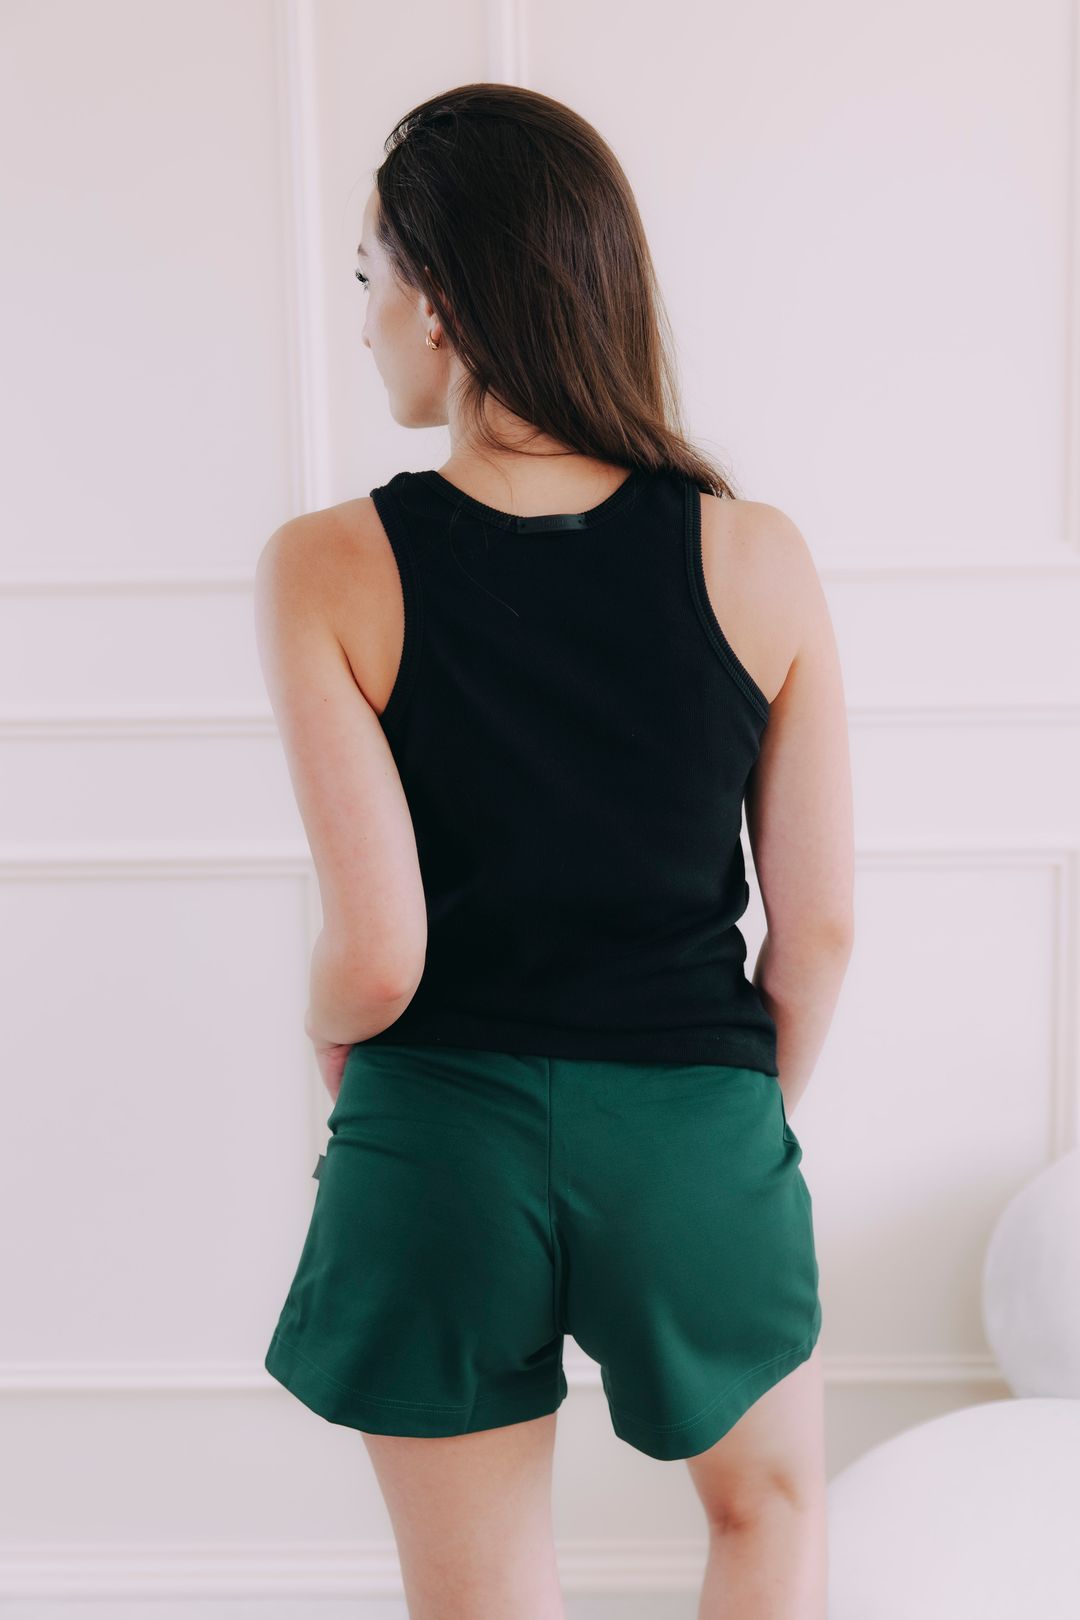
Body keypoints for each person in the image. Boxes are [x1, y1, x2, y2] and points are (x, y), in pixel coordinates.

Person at [255, 82, 853, 1620]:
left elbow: (377, 954)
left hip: (438, 1132)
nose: (365, 321)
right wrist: (729, 1123)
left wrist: (324, 1033)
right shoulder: (755, 553)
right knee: (768, 1514)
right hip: (692, 1123)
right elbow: (818, 932)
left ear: (440, 303)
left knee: (482, 1597)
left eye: (371, 279)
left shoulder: (326, 566)